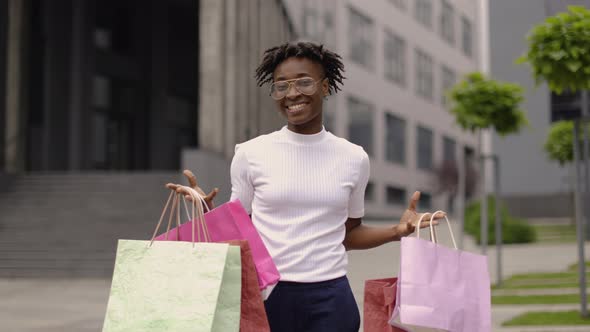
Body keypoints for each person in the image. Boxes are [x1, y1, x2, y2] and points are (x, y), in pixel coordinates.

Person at [167, 41, 443, 332]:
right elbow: (239, 233)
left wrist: (397, 232)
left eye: (304, 82)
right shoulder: (250, 154)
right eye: (281, 85)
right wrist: (206, 209)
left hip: (332, 298)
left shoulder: (353, 158)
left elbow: (348, 234)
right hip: (268, 296)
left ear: (325, 87)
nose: (292, 93)